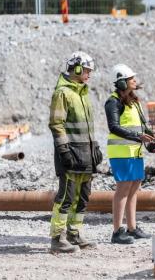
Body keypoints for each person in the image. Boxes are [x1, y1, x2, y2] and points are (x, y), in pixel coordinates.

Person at [105, 64, 155, 244]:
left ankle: (132, 228)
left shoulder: (134, 101)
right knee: (123, 189)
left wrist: (153, 134)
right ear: (122, 82)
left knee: (134, 188)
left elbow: (142, 125)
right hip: (121, 152)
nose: (135, 81)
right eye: (131, 78)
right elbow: (114, 127)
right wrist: (137, 136)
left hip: (135, 150)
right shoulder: (113, 101)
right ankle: (117, 231)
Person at [49, 51, 102, 253]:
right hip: (70, 155)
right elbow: (56, 124)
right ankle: (57, 238)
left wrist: (94, 146)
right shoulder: (63, 93)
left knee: (82, 197)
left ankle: (74, 233)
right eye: (87, 70)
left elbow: (87, 126)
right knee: (66, 197)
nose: (89, 74)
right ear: (77, 68)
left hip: (85, 154)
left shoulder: (82, 93)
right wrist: (64, 150)